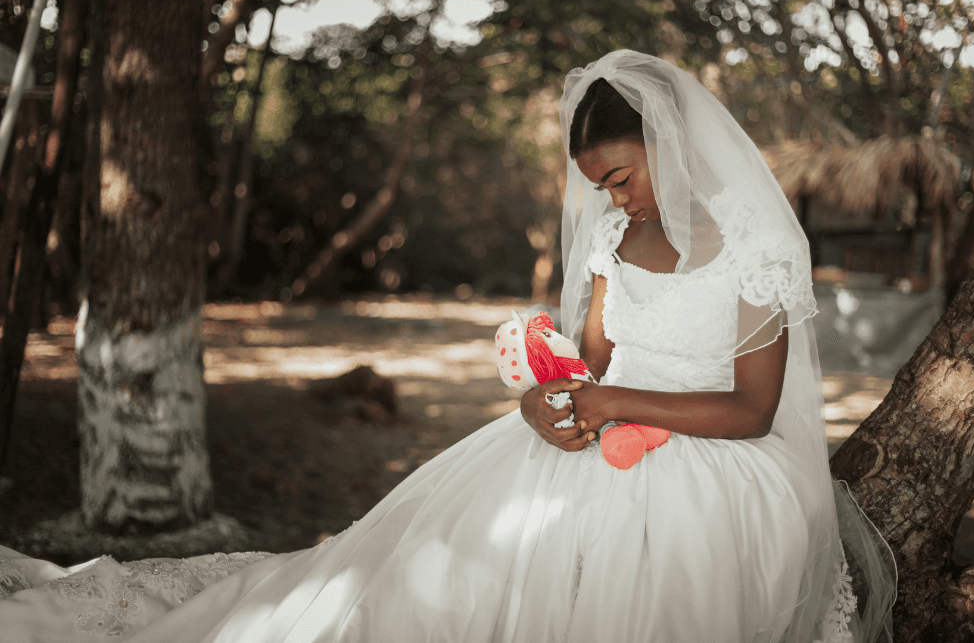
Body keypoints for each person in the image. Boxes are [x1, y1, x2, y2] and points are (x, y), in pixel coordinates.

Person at [0, 50, 896, 642]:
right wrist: (544, 404)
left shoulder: (757, 245)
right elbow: (587, 367)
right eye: (599, 188)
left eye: (621, 177)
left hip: (717, 464)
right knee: (424, 584)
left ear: (666, 142)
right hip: (603, 431)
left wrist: (614, 403)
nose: (614, 203)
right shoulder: (611, 244)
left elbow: (749, 410)